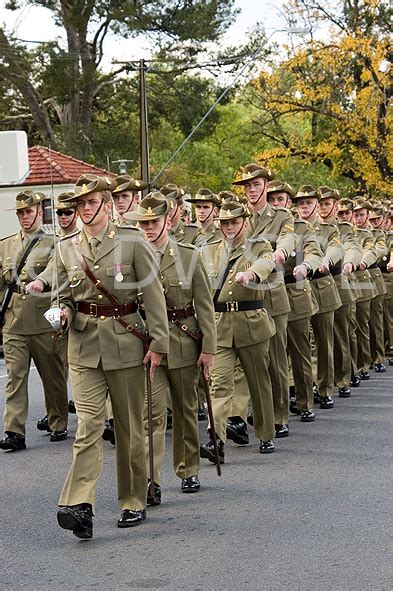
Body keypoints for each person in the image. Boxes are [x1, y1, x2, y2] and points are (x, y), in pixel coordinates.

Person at [52, 174, 169, 539]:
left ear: (106, 204)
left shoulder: (132, 242)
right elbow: (61, 296)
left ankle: (133, 500)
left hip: (126, 343)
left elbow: (153, 297)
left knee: (129, 427)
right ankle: (79, 504)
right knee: (88, 426)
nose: (85, 211)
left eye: (91, 204)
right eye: (79, 205)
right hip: (84, 345)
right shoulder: (66, 246)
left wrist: (159, 344)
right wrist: (60, 313)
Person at [124, 192, 216, 499]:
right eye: (144, 223)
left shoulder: (188, 255)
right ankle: (151, 480)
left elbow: (204, 306)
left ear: (168, 220)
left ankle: (188, 468)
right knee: (151, 414)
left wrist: (209, 349)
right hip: (147, 345)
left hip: (183, 341)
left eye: (154, 222)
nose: (149, 228)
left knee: (186, 408)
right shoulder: (130, 257)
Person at [200, 200, 277, 462]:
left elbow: (266, 264)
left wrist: (252, 275)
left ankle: (266, 432)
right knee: (218, 385)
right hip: (220, 325)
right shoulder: (208, 250)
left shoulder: (258, 246)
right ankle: (216, 438)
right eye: (224, 223)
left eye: (233, 222)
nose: (229, 227)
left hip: (250, 322)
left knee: (258, 382)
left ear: (245, 222)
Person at [228, 164, 296, 440]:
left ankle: (278, 415)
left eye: (256, 185)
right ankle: (240, 417)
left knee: (275, 360)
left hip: (270, 294)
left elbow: (289, 237)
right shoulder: (239, 216)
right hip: (244, 296)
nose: (251, 190)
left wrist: (281, 251)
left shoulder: (281, 215)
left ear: (266, 186)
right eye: (247, 186)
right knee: (241, 359)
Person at [0, 190, 69, 451]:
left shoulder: (55, 243)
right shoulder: (5, 245)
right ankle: (14, 431)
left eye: (28, 211)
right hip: (14, 323)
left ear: (40, 212)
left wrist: (42, 281)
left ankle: (58, 422)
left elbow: (56, 271)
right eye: (20, 213)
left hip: (43, 320)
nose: (24, 217)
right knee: (14, 378)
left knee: (52, 376)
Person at [269, 181, 323, 422]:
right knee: (274, 354)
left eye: (281, 200)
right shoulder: (258, 225)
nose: (276, 204)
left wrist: (306, 266)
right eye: (273, 200)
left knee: (300, 351)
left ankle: (304, 401)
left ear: (288, 203)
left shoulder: (300, 227)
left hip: (295, 290)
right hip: (269, 293)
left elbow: (314, 252)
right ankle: (274, 407)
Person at [295, 185, 342, 409]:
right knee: (302, 343)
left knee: (323, 342)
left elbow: (336, 248)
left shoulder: (329, 229)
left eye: (309, 203)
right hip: (299, 290)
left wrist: (326, 261)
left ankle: (324, 388)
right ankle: (301, 388)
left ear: (317, 204)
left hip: (321, 287)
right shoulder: (293, 228)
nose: (305, 207)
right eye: (301, 203)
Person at [318, 186, 363, 398]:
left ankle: (343, 378)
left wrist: (350, 263)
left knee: (341, 333)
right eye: (321, 204)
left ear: (335, 206)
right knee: (320, 339)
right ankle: (320, 383)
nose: (323, 208)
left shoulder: (344, 229)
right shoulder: (310, 228)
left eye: (327, 204)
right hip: (315, 285)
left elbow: (353, 248)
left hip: (339, 281)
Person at [352, 200, 378, 380]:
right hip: (348, 283)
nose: (358, 218)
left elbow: (373, 250)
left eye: (361, 214)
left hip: (363, 279)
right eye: (356, 214)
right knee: (350, 328)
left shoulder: (368, 235)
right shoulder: (346, 232)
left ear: (367, 216)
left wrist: (362, 262)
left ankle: (364, 364)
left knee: (363, 325)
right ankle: (353, 366)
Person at [368, 204, 388, 372]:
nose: (374, 222)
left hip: (374, 277)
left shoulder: (379, 235)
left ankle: (378, 357)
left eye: (377, 219)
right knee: (362, 324)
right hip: (357, 280)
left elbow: (380, 251)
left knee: (377, 321)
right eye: (371, 219)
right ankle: (366, 357)